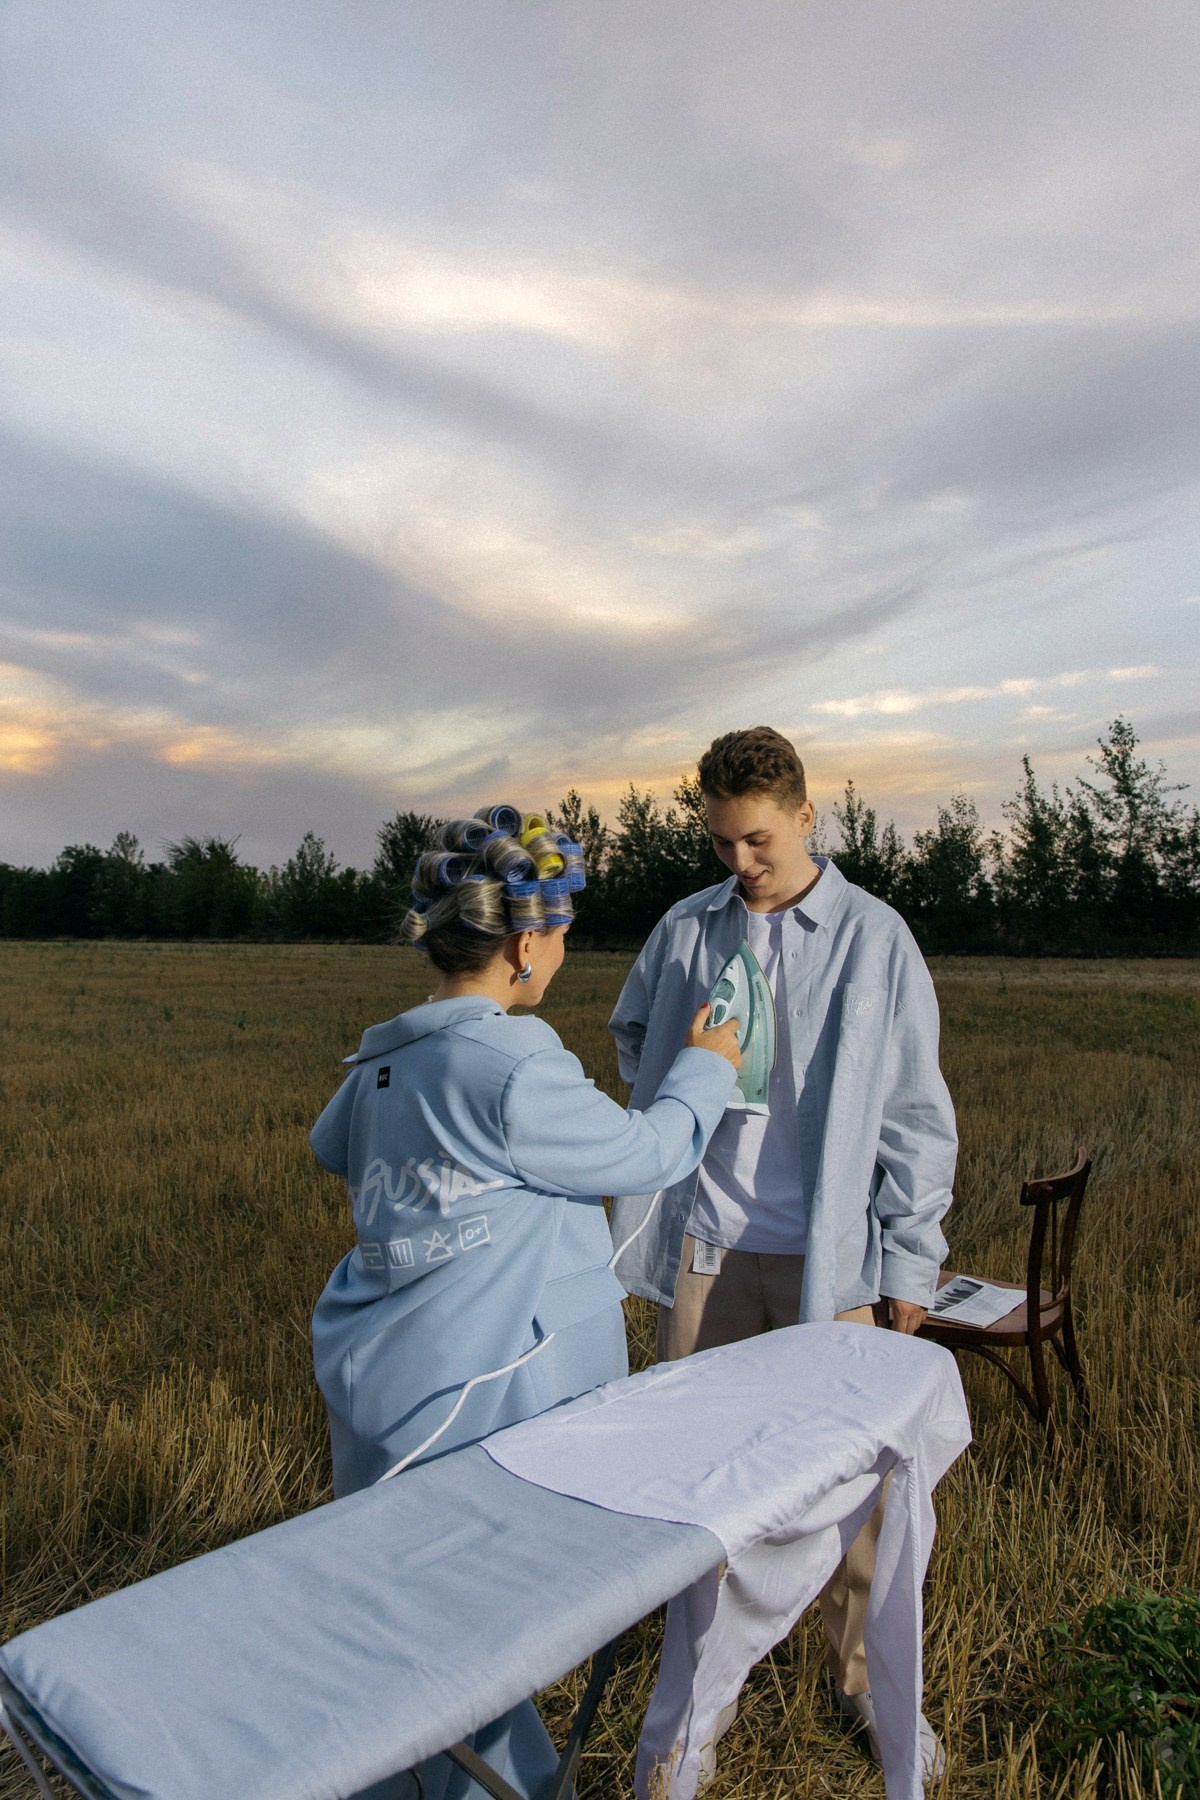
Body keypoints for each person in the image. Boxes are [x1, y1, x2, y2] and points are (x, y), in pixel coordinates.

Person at [310, 805, 741, 1800]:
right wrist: (708, 1066)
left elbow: (331, 1147)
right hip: (482, 1399)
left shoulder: (385, 1062)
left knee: (408, 1618)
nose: (561, 951)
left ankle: (476, 1772)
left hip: (387, 1385)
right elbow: (652, 1153)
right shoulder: (514, 1067)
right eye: (560, 932)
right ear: (521, 943)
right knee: (470, 1627)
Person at [608, 729, 957, 1787]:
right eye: (721, 844)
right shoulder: (683, 931)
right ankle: (694, 1721)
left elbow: (913, 1115)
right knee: (704, 1501)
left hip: (833, 1274)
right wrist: (685, 1099)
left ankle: (865, 1688)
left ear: (807, 817)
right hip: (709, 1257)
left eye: (756, 840)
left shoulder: (875, 938)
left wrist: (907, 1263)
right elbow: (632, 1034)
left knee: (861, 1508)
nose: (740, 863)